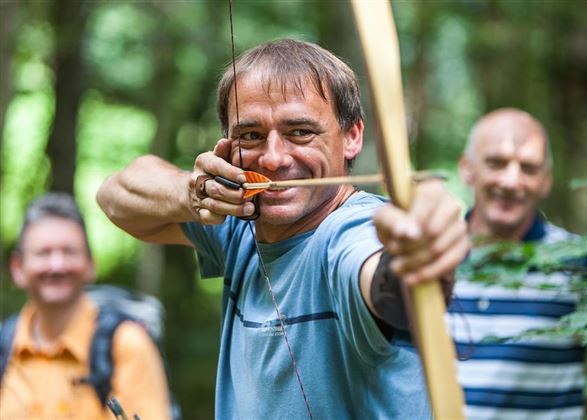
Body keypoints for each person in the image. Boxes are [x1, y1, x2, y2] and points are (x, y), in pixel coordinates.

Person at [97, 39, 470, 418]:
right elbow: (114, 195)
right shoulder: (238, 226)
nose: (273, 159)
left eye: (300, 132)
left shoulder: (350, 229)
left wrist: (417, 261)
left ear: (352, 136)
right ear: (227, 144)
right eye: (251, 135)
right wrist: (194, 192)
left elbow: (384, 281)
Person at [445, 108, 587, 419]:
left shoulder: (580, 262)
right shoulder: (432, 257)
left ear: (546, 181)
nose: (511, 181)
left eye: (528, 168)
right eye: (496, 163)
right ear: (467, 169)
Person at [0, 192, 171, 419]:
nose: (57, 265)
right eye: (43, 253)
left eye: (69, 252)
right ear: (17, 267)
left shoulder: (127, 345)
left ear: (91, 264)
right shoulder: (5, 345)